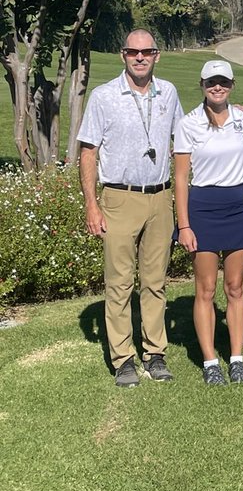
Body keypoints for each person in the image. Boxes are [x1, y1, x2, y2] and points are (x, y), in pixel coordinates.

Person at [78, 29, 183, 387]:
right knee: (119, 283)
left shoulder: (168, 92)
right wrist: (91, 204)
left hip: (160, 198)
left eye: (147, 52)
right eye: (133, 52)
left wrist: (228, 112)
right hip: (119, 198)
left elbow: (186, 135)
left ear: (157, 55)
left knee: (155, 282)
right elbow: (88, 151)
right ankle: (123, 358)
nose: (140, 57)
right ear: (123, 55)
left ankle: (155, 353)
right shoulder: (104, 96)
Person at [173, 60, 243, 384]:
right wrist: (184, 225)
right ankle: (210, 362)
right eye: (211, 82)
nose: (217, 87)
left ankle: (236, 358)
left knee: (235, 286)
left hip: (238, 205)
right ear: (202, 85)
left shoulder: (242, 118)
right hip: (204, 208)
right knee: (206, 289)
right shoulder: (188, 123)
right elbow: (181, 178)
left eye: (223, 82)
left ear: (232, 85)